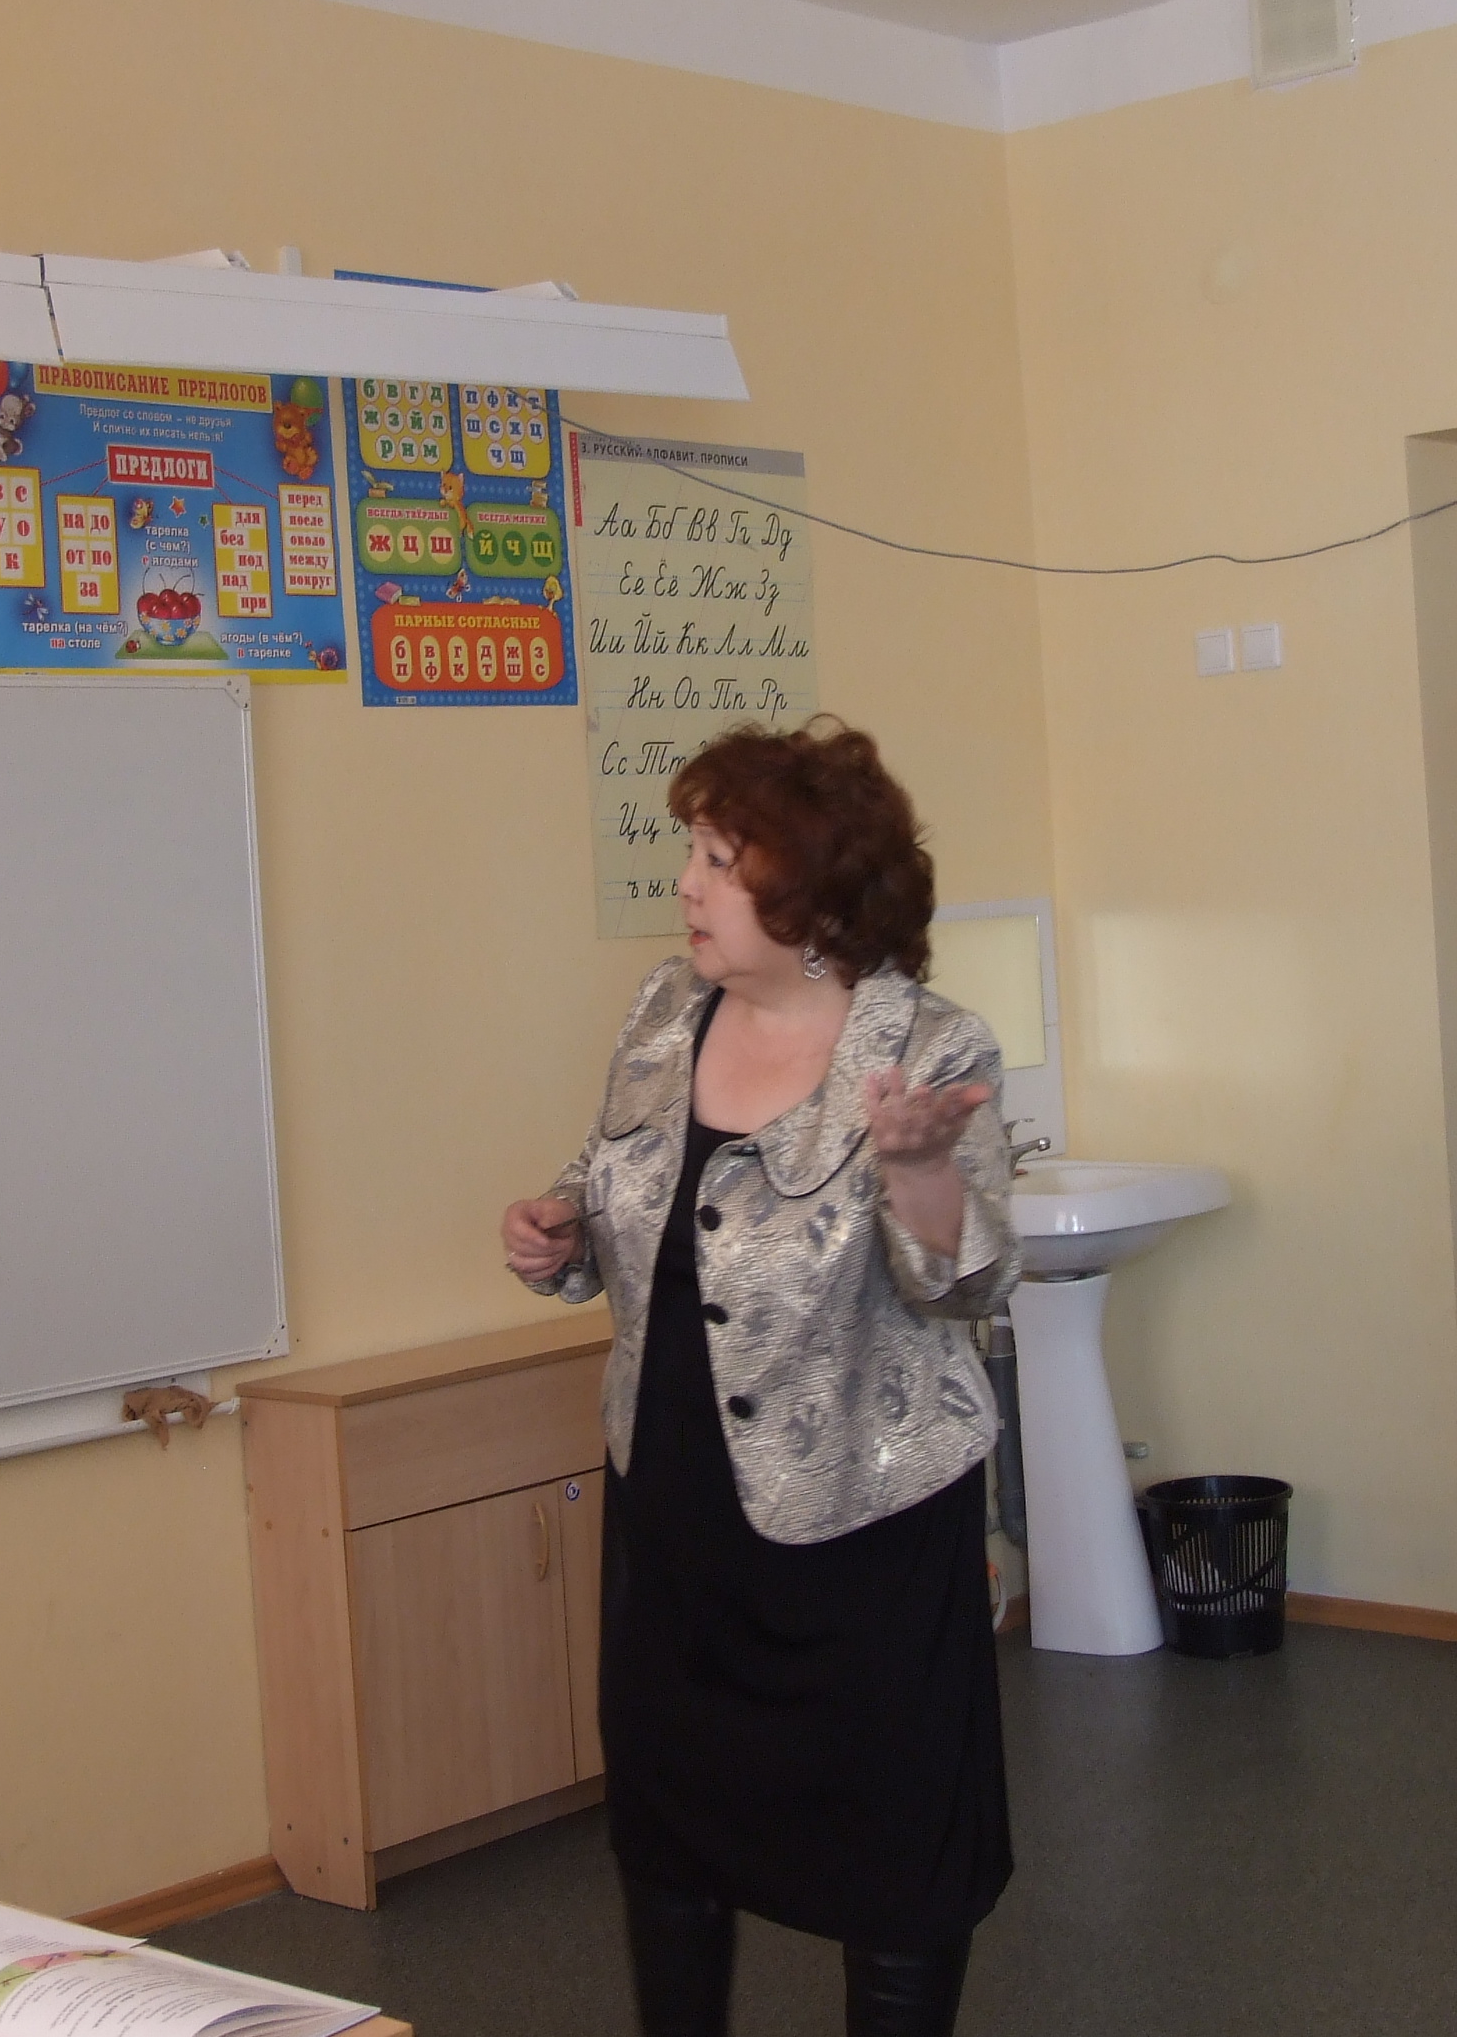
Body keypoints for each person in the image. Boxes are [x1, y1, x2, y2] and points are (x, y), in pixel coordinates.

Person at [502, 719, 1019, 2037]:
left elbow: (969, 1287)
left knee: (895, 1853)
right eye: (694, 851)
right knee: (671, 1829)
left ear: (818, 893)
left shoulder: (928, 1048)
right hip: (675, 1504)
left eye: (722, 861)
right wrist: (561, 1229)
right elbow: (621, 1179)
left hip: (866, 1523)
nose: (687, 884)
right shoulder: (662, 1013)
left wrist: (919, 1169)